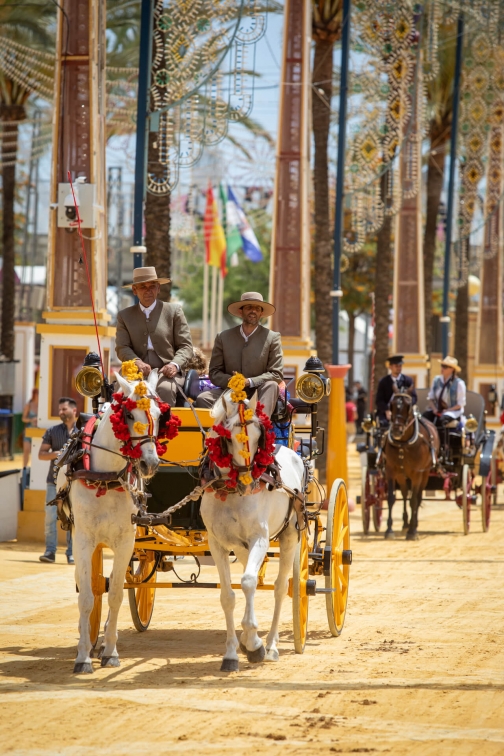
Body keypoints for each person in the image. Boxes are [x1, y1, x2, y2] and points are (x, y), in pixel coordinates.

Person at [195, 291, 283, 418]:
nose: (253, 311)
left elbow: (276, 374)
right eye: (249, 307)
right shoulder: (223, 337)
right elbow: (214, 372)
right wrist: (232, 381)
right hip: (230, 393)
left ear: (261, 313)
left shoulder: (272, 337)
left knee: (272, 385)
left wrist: (249, 382)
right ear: (240, 312)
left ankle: (260, 431)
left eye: (257, 308)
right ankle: (223, 435)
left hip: (259, 393)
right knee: (203, 399)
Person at [115, 266, 193, 405]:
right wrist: (136, 362)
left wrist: (174, 365)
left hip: (167, 371)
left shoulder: (174, 311)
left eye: (152, 286)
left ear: (158, 289)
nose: (148, 290)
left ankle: (164, 426)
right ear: (134, 290)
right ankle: (123, 427)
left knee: (164, 390)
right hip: (135, 370)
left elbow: (186, 346)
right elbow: (122, 347)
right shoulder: (124, 316)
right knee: (123, 389)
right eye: (143, 287)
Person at [38, 397, 78, 564]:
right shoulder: (52, 431)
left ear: (74, 411)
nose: (61, 412)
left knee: (73, 517)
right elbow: (41, 454)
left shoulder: (83, 431)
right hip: (53, 481)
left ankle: (71, 553)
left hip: (74, 482)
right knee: (50, 517)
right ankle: (50, 552)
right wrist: (57, 454)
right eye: (59, 409)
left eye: (64, 409)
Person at [423, 356, 466, 426]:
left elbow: (460, 404)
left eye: (445, 367)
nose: (442, 368)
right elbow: (431, 399)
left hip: (452, 412)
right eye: (442, 366)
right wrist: (434, 409)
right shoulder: (436, 380)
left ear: (452, 369)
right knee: (424, 418)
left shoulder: (459, 383)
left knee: (442, 420)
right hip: (437, 410)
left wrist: (448, 410)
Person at [375, 355, 417, 426]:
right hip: (387, 412)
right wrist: (386, 410)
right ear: (390, 367)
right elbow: (379, 400)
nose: (399, 368)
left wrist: (407, 407)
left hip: (404, 412)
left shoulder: (408, 381)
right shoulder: (383, 382)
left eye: (400, 366)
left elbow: (414, 397)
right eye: (396, 366)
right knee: (383, 425)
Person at [22, 387, 38, 468]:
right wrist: (31, 420)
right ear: (34, 394)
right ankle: (24, 468)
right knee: (26, 451)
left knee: (35, 452)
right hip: (29, 431)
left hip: (38, 432)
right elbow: (23, 418)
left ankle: (33, 468)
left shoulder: (42, 406)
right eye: (37, 393)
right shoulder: (29, 405)